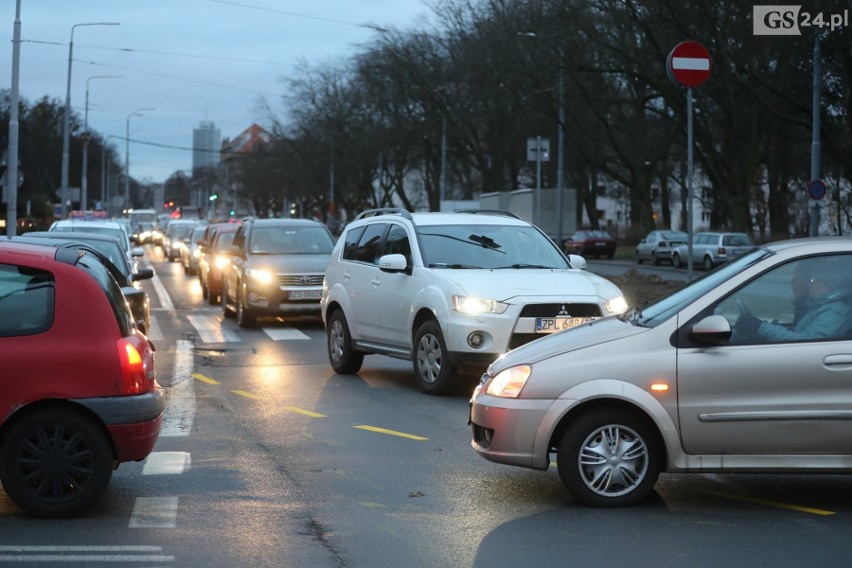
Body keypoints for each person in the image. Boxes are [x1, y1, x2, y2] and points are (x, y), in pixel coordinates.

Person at [738, 258, 852, 341]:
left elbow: (805, 342)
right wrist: (770, 328)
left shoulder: (835, 313)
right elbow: (802, 332)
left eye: (813, 280)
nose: (808, 285)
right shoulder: (822, 307)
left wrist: (762, 328)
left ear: (829, 284)